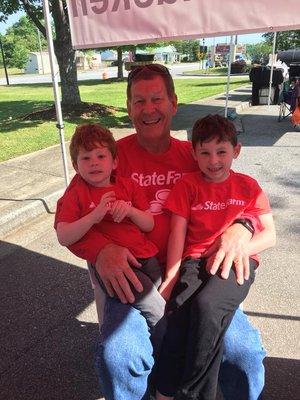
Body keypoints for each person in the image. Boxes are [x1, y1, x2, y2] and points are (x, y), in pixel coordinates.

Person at [55, 64, 267, 400]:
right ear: (129, 108)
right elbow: (66, 219)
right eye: (139, 101)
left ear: (174, 103)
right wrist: (100, 251)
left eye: (157, 99)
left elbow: (237, 196)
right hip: (133, 277)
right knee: (120, 358)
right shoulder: (106, 157)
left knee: (244, 356)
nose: (149, 109)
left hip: (193, 278)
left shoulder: (195, 155)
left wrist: (243, 227)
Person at [155, 114, 276, 400]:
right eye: (205, 153)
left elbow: (270, 235)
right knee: (178, 317)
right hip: (194, 261)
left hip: (237, 262)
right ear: (193, 153)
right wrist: (171, 277)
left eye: (222, 151)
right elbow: (177, 235)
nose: (214, 161)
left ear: (236, 150)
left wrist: (237, 249)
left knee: (208, 307)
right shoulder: (187, 186)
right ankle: (164, 391)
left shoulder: (248, 186)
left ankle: (194, 393)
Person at [55, 123, 166, 332]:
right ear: (76, 166)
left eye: (100, 156)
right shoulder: (76, 194)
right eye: (86, 158)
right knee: (158, 314)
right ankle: (166, 353)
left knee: (151, 307)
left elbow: (149, 223)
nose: (93, 163)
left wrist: (131, 211)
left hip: (147, 258)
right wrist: (93, 217)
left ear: (114, 162)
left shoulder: (128, 186)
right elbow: (63, 235)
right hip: (118, 268)